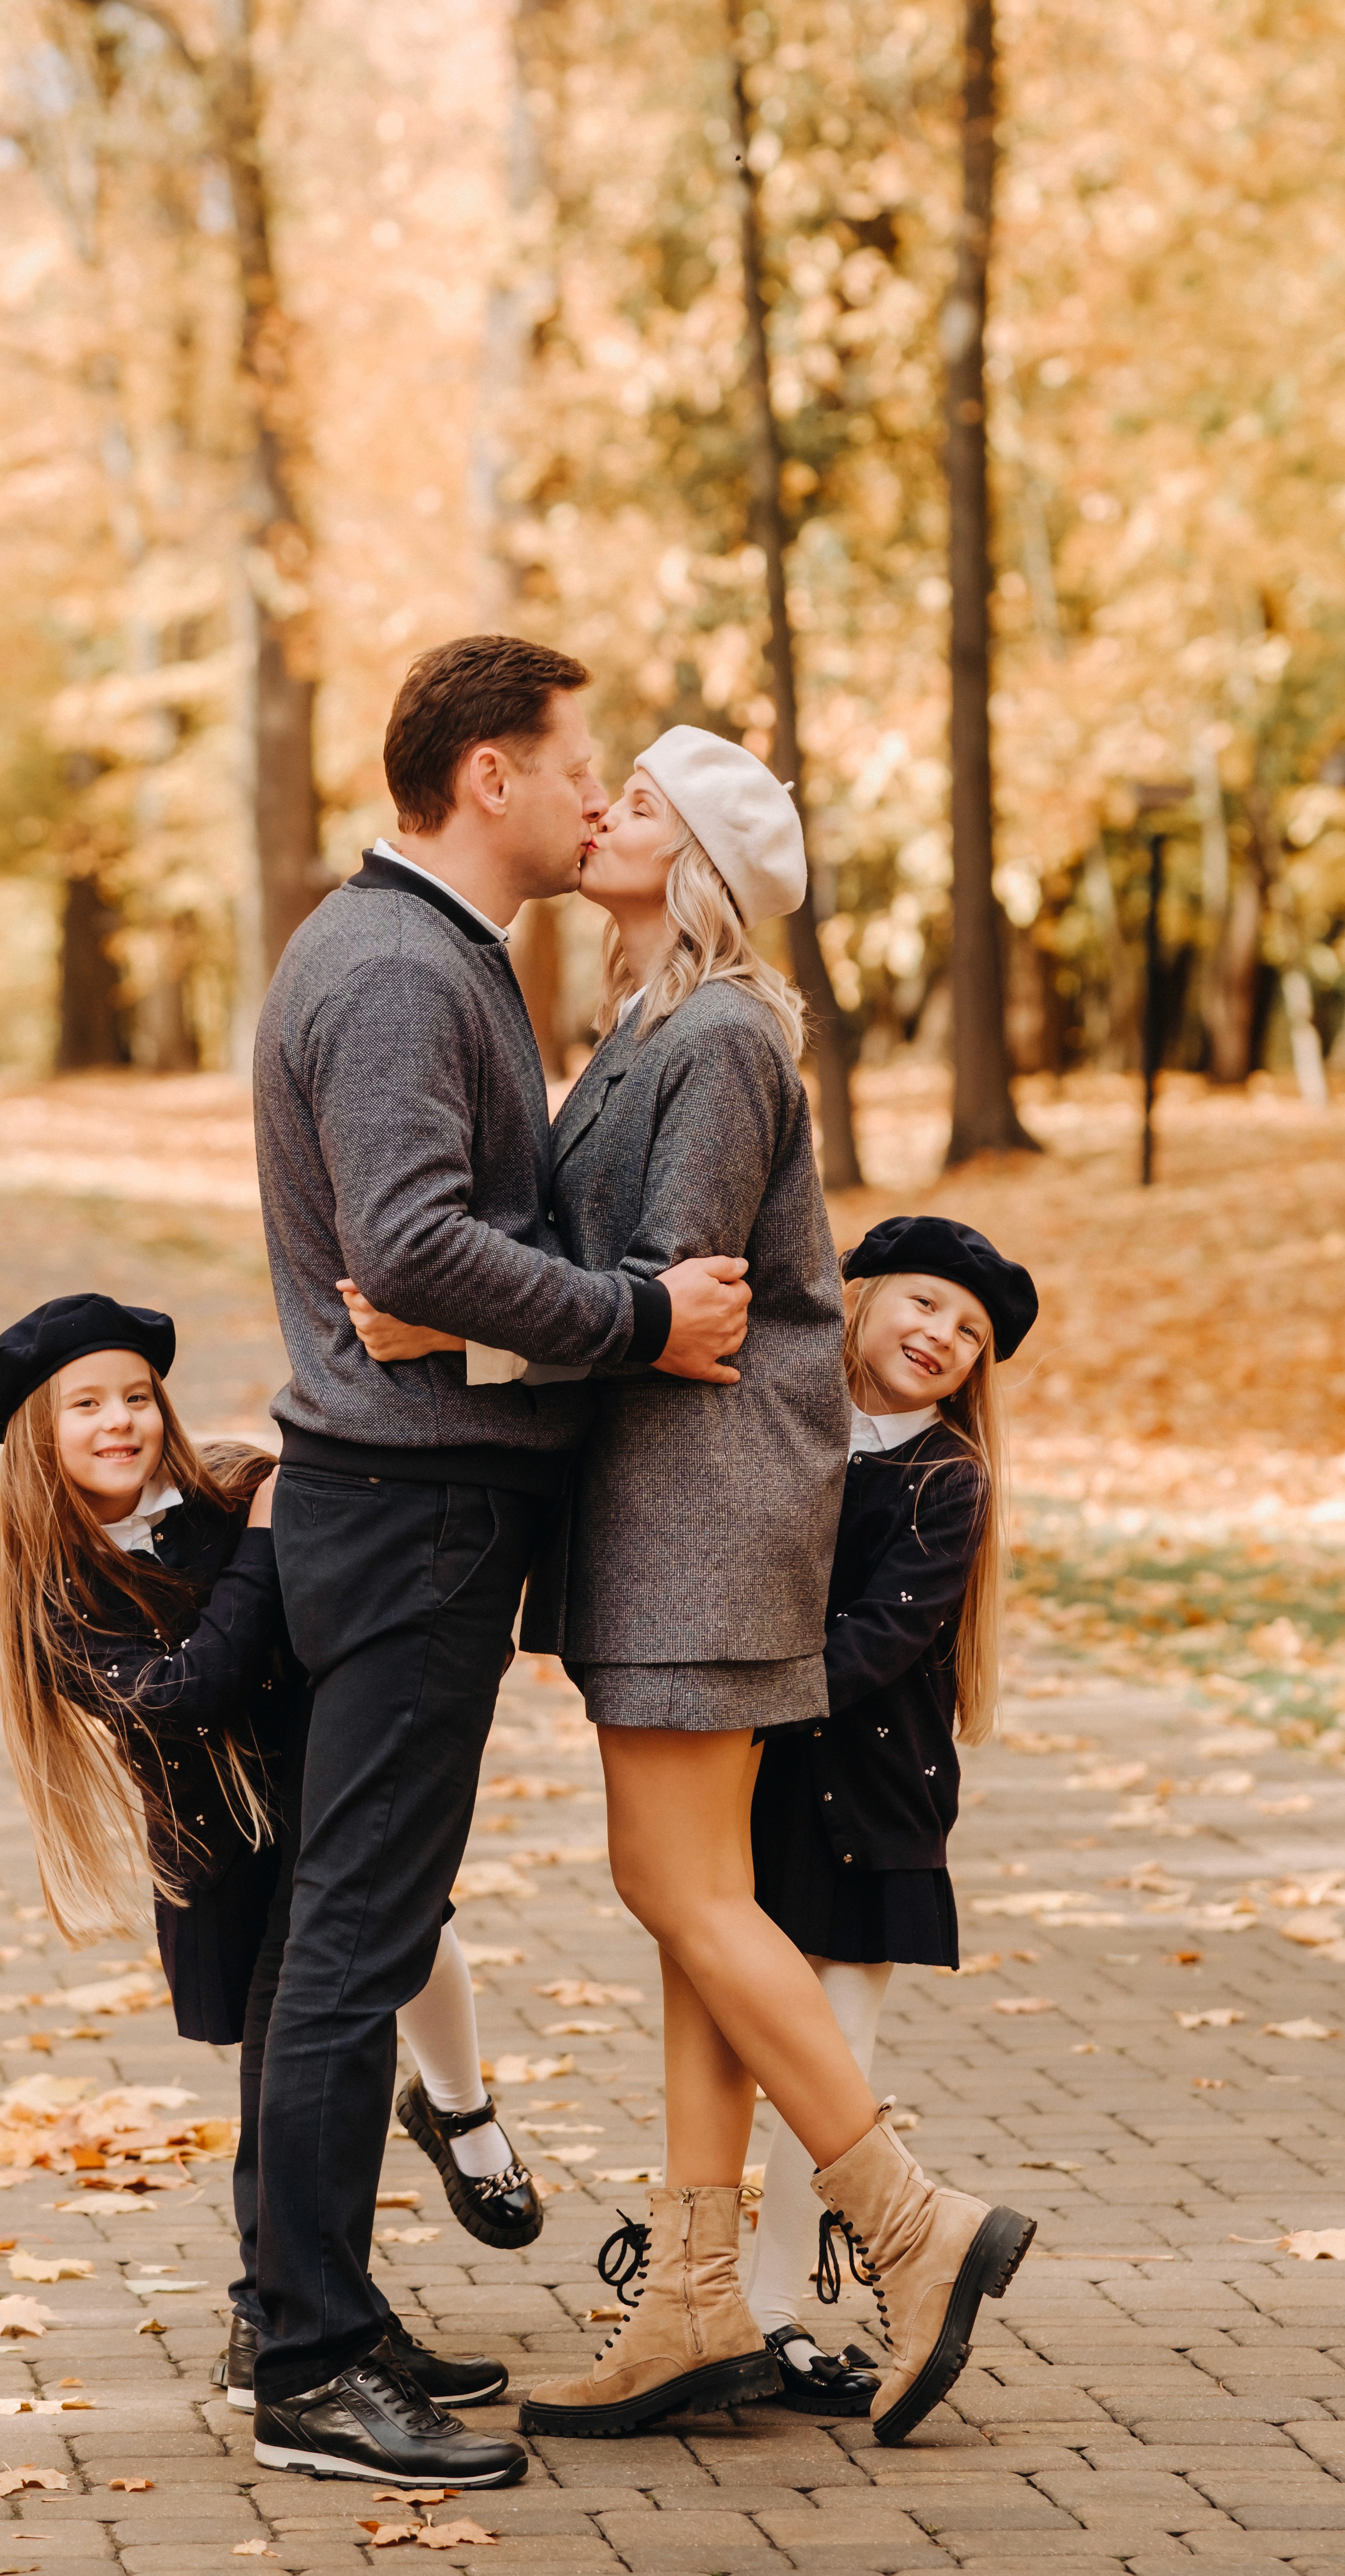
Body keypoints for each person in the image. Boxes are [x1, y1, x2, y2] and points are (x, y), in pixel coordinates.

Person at [344, 730, 1036, 2449]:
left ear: (706, 865)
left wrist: (439, 1333)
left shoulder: (720, 1036)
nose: (601, 814)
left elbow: (667, 1303)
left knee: (674, 1883)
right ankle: (695, 2300)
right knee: (693, 1911)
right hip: (664, 1513)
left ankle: (908, 2223)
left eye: (637, 803)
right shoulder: (645, 1026)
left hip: (708, 1513)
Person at [249, 638, 755, 2490]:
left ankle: (301, 2306)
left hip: (402, 1491)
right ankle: (307, 2361)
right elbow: (409, 1243)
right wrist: (633, 1314)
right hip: (411, 1508)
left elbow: (418, 1270)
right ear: (486, 777)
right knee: (356, 1931)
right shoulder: (398, 966)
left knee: (340, 1916)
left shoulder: (408, 949)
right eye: (570, 764)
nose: (586, 793)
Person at [0, 1291, 538, 2429]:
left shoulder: (231, 1487)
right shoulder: (59, 1591)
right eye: (84, 1405)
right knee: (286, 2076)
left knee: (346, 2045)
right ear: (38, 1437)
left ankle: (329, 2308)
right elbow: (189, 1689)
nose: (120, 1420)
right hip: (226, 1856)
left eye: (137, 1395)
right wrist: (273, 1539)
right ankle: (278, 2318)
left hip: (327, 1807)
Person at [742, 1215, 1037, 2413]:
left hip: (872, 1809)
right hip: (753, 1794)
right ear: (854, 1299)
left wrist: (727, 1688)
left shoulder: (944, 1481)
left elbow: (874, 1643)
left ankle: (771, 2311)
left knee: (829, 2067)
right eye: (923, 1305)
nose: (942, 1337)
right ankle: (716, 2291)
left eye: (967, 1335)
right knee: (735, 2045)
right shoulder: (776, 1432)